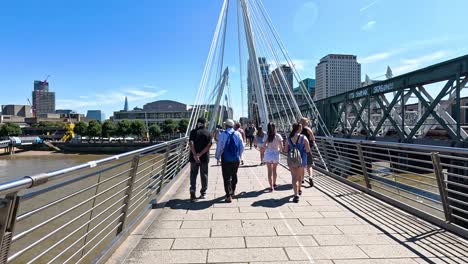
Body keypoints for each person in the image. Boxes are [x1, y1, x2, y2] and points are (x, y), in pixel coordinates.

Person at [215, 119, 244, 203]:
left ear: (226, 126)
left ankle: (228, 195)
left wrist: (217, 157)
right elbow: (241, 146)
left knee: (226, 177)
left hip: (225, 158)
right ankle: (233, 191)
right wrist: (239, 155)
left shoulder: (222, 134)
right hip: (236, 158)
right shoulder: (238, 133)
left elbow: (219, 147)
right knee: (234, 174)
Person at [285, 122, 311, 203]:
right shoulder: (303, 137)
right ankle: (299, 190)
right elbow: (308, 150)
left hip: (292, 159)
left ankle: (295, 195)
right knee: (299, 176)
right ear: (299, 128)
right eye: (300, 128)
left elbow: (285, 150)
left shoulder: (289, 138)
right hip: (301, 159)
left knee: (294, 177)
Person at [188, 117, 212, 201]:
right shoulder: (208, 133)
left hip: (193, 158)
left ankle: (192, 189)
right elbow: (209, 145)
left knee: (193, 173)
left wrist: (195, 155)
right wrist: (200, 154)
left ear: (197, 123)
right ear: (205, 123)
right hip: (204, 157)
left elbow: (191, 143)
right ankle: (203, 193)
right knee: (204, 174)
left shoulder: (193, 132)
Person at [263, 123, 283, 192]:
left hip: (268, 153)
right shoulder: (278, 136)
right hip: (275, 154)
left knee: (269, 171)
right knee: (274, 170)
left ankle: (271, 187)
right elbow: (281, 147)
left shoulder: (266, 135)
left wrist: (268, 147)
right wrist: (279, 150)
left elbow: (264, 145)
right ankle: (274, 183)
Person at [300, 117, 316, 184]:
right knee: (309, 164)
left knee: (302, 165)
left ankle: (302, 179)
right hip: (307, 148)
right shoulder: (308, 129)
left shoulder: (298, 130)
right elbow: (313, 138)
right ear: (307, 122)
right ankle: (310, 176)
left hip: (300, 149)